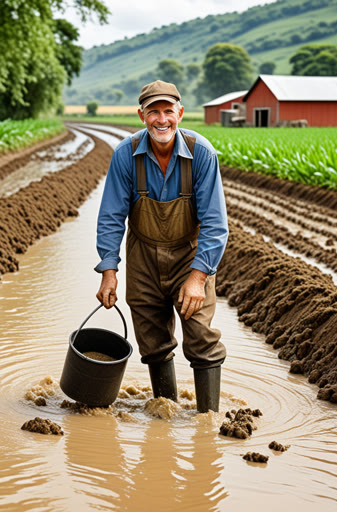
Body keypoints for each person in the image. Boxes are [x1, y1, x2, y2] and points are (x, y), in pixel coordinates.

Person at [95, 80, 229, 413]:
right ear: (142, 116)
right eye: (153, 112)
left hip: (189, 256)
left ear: (180, 113)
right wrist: (108, 272)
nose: (161, 119)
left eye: (168, 111)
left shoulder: (201, 154)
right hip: (143, 256)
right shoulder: (126, 155)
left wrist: (198, 277)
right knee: (152, 340)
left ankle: (207, 420)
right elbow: (111, 216)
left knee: (201, 337)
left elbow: (215, 223)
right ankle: (165, 413)